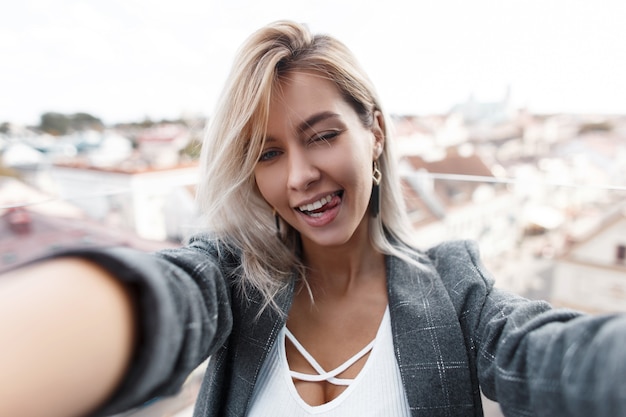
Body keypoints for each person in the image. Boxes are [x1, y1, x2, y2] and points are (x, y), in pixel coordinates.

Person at [1, 20, 625, 417]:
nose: (298, 175)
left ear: (374, 133)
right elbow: (165, 300)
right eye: (268, 153)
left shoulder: (455, 290)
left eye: (321, 135)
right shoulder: (231, 280)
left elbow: (553, 359)